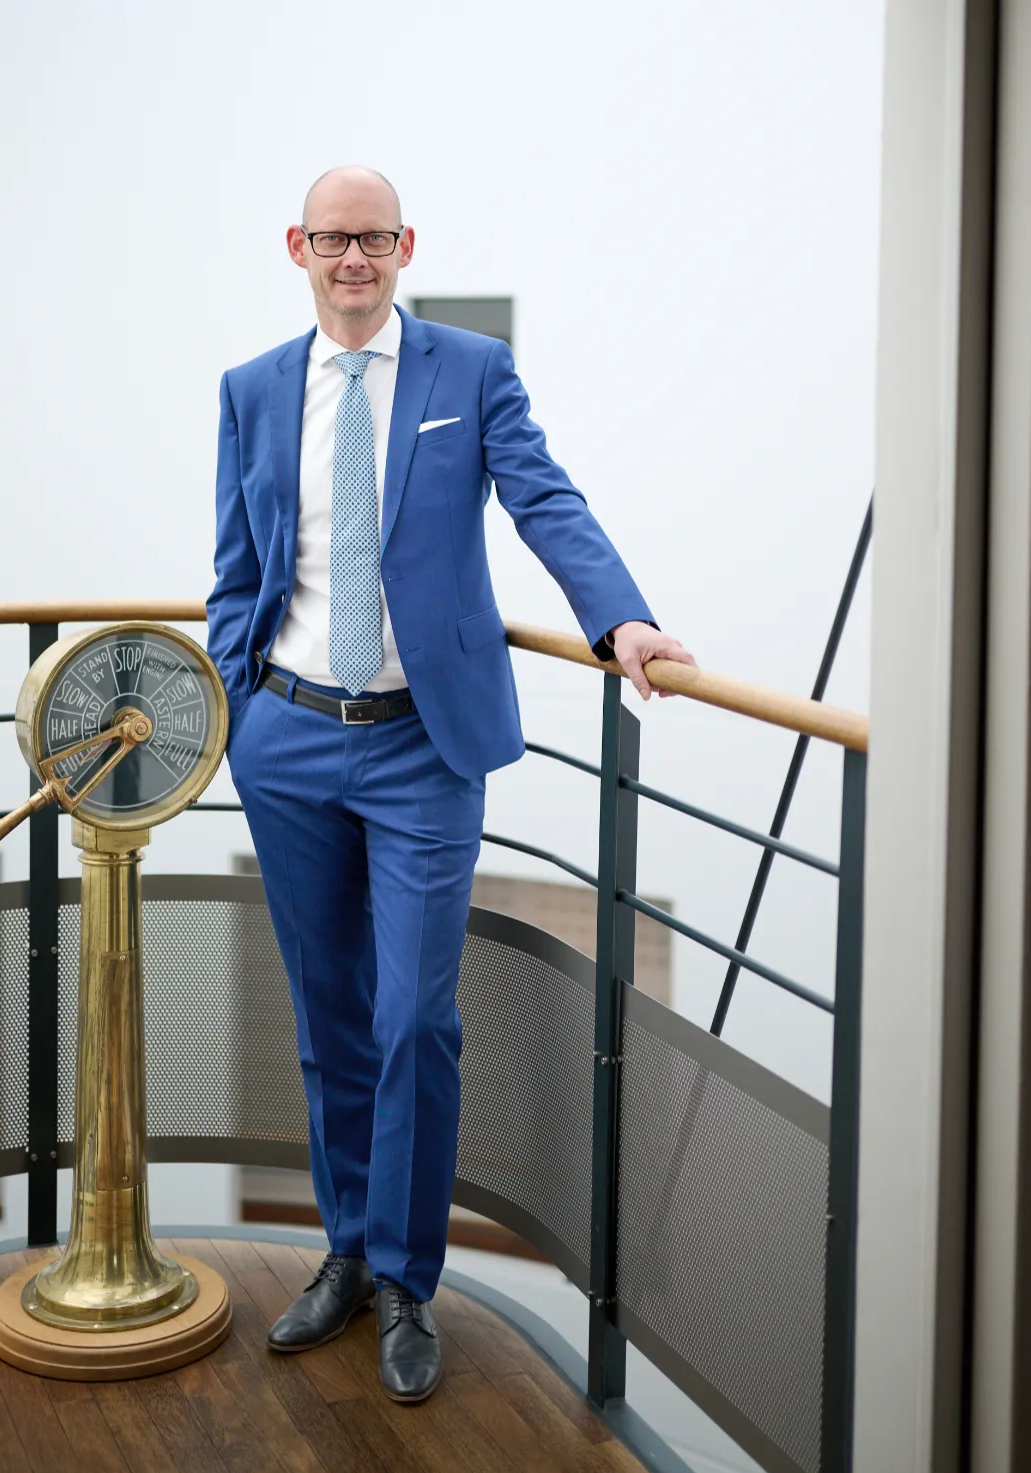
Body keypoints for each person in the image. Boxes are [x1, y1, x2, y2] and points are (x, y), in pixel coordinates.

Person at [206, 166, 693, 1402]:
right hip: (292, 738)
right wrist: (228, 709)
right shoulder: (254, 390)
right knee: (328, 1016)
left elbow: (544, 500)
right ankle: (349, 1255)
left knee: (415, 1016)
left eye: (374, 238)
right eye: (333, 239)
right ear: (298, 248)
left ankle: (412, 1283)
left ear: (404, 245)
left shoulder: (468, 373)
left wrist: (620, 620)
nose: (354, 258)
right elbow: (234, 566)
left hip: (424, 745)